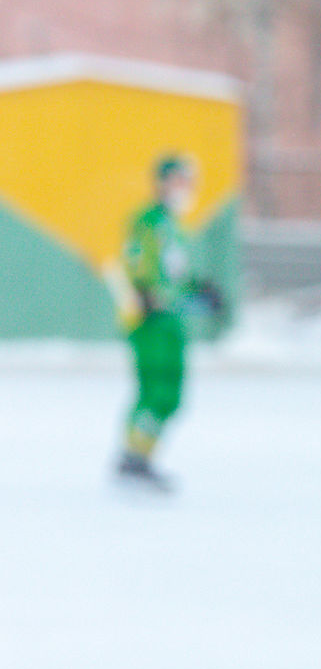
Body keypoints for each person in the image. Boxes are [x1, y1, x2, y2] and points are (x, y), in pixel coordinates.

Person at [116, 153, 215, 491]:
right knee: (155, 391)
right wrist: (143, 291)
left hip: (172, 321)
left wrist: (199, 291)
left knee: (172, 396)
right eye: (178, 181)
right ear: (161, 183)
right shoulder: (149, 221)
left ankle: (142, 456)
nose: (184, 189)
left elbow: (175, 277)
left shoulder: (174, 227)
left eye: (188, 182)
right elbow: (136, 259)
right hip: (150, 321)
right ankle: (133, 459)